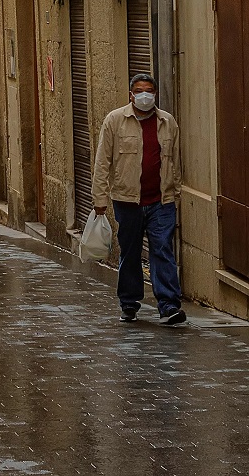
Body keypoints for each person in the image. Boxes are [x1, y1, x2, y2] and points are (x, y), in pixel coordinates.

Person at [92, 73, 185, 325]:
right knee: (130, 252)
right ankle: (129, 303)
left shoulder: (167, 122)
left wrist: (175, 195)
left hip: (161, 201)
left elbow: (175, 162)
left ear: (155, 94)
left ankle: (169, 306)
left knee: (163, 249)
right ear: (131, 94)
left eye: (150, 90)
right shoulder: (115, 120)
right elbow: (103, 163)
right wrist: (99, 198)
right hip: (127, 201)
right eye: (140, 90)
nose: (145, 95)